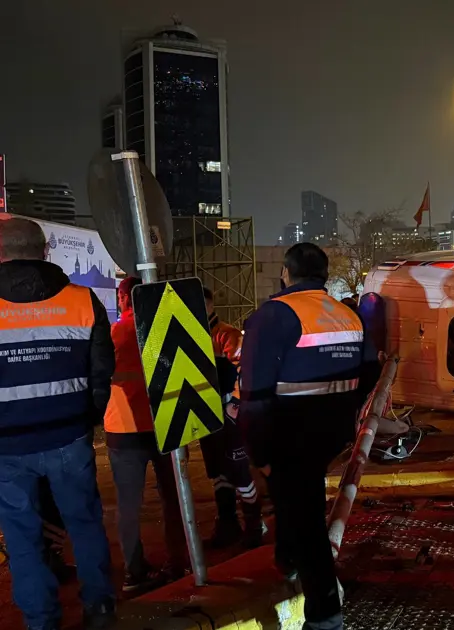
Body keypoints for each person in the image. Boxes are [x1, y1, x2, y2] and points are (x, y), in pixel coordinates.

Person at [239, 243, 380, 630]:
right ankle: (287, 561)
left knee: (306, 522)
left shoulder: (273, 316)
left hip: (288, 434)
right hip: (331, 433)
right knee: (299, 501)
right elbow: (369, 373)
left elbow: (253, 395)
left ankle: (325, 615)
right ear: (323, 275)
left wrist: (257, 450)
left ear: (286, 273)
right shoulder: (348, 315)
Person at [0, 215, 116, 630]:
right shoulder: (82, 301)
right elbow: (102, 372)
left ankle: (41, 619)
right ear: (45, 251)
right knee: (84, 524)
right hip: (70, 437)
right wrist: (88, 422)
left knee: (22, 536)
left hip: (7, 450)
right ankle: (100, 606)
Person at [104, 276, 189, 592]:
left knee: (128, 505)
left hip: (122, 429)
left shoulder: (112, 334)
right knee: (174, 497)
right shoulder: (164, 330)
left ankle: (134, 572)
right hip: (165, 423)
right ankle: (179, 560)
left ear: (124, 298)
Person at [198, 287, 263, 549]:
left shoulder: (227, 335)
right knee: (217, 472)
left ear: (210, 305)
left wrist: (235, 405)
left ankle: (254, 525)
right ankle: (228, 525)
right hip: (207, 414)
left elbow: (245, 371)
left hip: (229, 414)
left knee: (239, 472)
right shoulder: (193, 336)